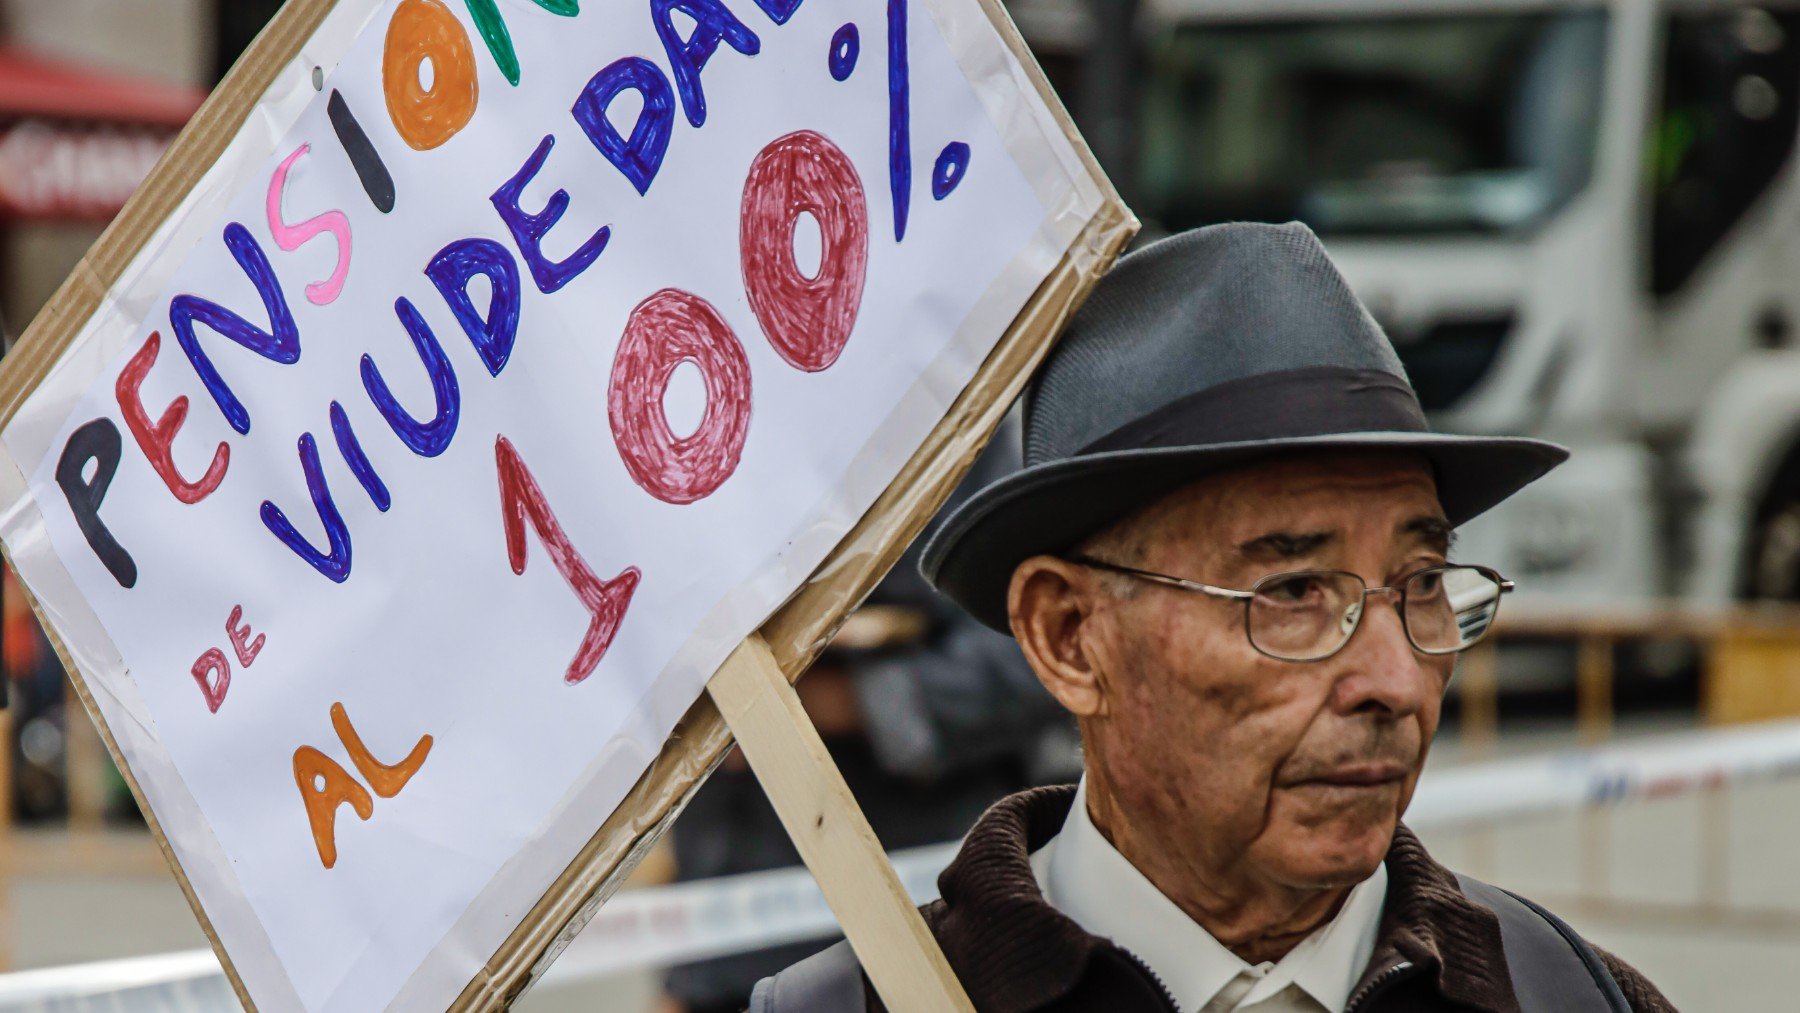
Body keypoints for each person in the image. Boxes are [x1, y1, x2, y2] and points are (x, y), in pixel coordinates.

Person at [748, 223, 1676, 1012]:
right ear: (1069, 634)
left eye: (1423, 582)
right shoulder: (879, 1001)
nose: (1395, 679)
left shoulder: (1567, 995)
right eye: (1295, 593)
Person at [661, 420, 1075, 1013]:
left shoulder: (940, 431)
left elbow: (1035, 648)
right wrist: (686, 974)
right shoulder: (684, 462)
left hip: (915, 934)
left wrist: (844, 703)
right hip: (732, 945)